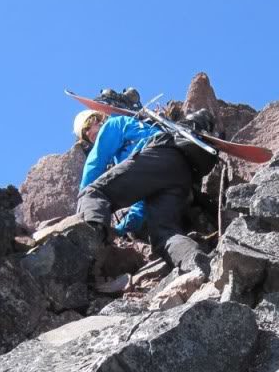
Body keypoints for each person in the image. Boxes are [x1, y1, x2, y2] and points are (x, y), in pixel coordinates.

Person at [72, 108, 217, 274]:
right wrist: (121, 228)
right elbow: (141, 204)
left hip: (158, 152)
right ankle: (197, 265)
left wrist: (83, 198)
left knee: (93, 193)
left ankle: (88, 244)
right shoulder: (127, 151)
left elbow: (95, 163)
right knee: (163, 235)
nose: (89, 133)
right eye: (84, 134)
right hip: (180, 172)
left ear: (97, 119)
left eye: (88, 126)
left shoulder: (113, 124)